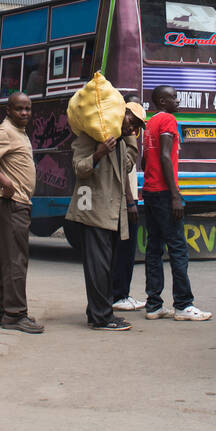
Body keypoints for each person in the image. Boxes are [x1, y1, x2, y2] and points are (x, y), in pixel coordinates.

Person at [67, 101, 145, 330]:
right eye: (133, 122)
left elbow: (128, 165)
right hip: (92, 209)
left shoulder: (120, 140)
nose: (134, 129)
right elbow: (79, 168)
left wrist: (130, 138)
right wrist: (98, 154)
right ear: (122, 114)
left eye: (138, 127)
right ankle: (101, 317)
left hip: (112, 211)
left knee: (106, 265)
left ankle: (98, 312)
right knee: (98, 266)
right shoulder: (90, 137)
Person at [0, 93, 44, 332]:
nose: (24, 113)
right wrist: (5, 181)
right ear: (8, 110)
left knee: (8, 257)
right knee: (16, 260)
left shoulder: (18, 132)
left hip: (17, 202)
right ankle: (15, 315)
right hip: (12, 203)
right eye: (19, 109)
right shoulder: (6, 131)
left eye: (28, 109)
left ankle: (5, 311)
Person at [142, 86, 211, 319]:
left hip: (149, 192)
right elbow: (164, 155)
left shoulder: (149, 123)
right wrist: (174, 196)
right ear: (162, 101)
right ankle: (183, 305)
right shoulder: (168, 120)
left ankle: (154, 305)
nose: (178, 101)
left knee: (154, 249)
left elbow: (145, 160)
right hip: (163, 194)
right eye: (173, 97)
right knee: (178, 249)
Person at [111, 92, 145, 314]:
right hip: (124, 201)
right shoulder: (122, 135)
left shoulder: (128, 133)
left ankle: (121, 293)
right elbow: (124, 168)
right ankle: (120, 295)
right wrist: (131, 202)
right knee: (124, 248)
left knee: (125, 248)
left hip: (127, 197)